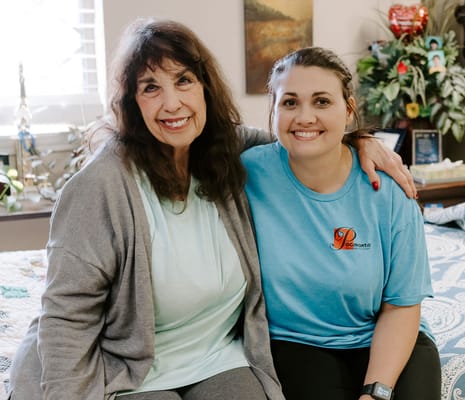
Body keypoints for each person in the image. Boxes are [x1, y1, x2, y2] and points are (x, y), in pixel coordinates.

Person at [8, 18, 415, 400]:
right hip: (128, 365)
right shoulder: (101, 186)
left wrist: (360, 141)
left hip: (219, 356)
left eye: (183, 80)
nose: (172, 103)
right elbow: (67, 318)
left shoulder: (223, 149)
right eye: (150, 87)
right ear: (132, 102)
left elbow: (301, 139)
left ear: (205, 87)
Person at [242, 47, 441, 400]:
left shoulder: (389, 189)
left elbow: (401, 306)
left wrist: (376, 393)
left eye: (322, 102)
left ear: (348, 110)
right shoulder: (248, 172)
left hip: (389, 335)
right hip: (298, 344)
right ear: (273, 108)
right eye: (290, 102)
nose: (305, 116)